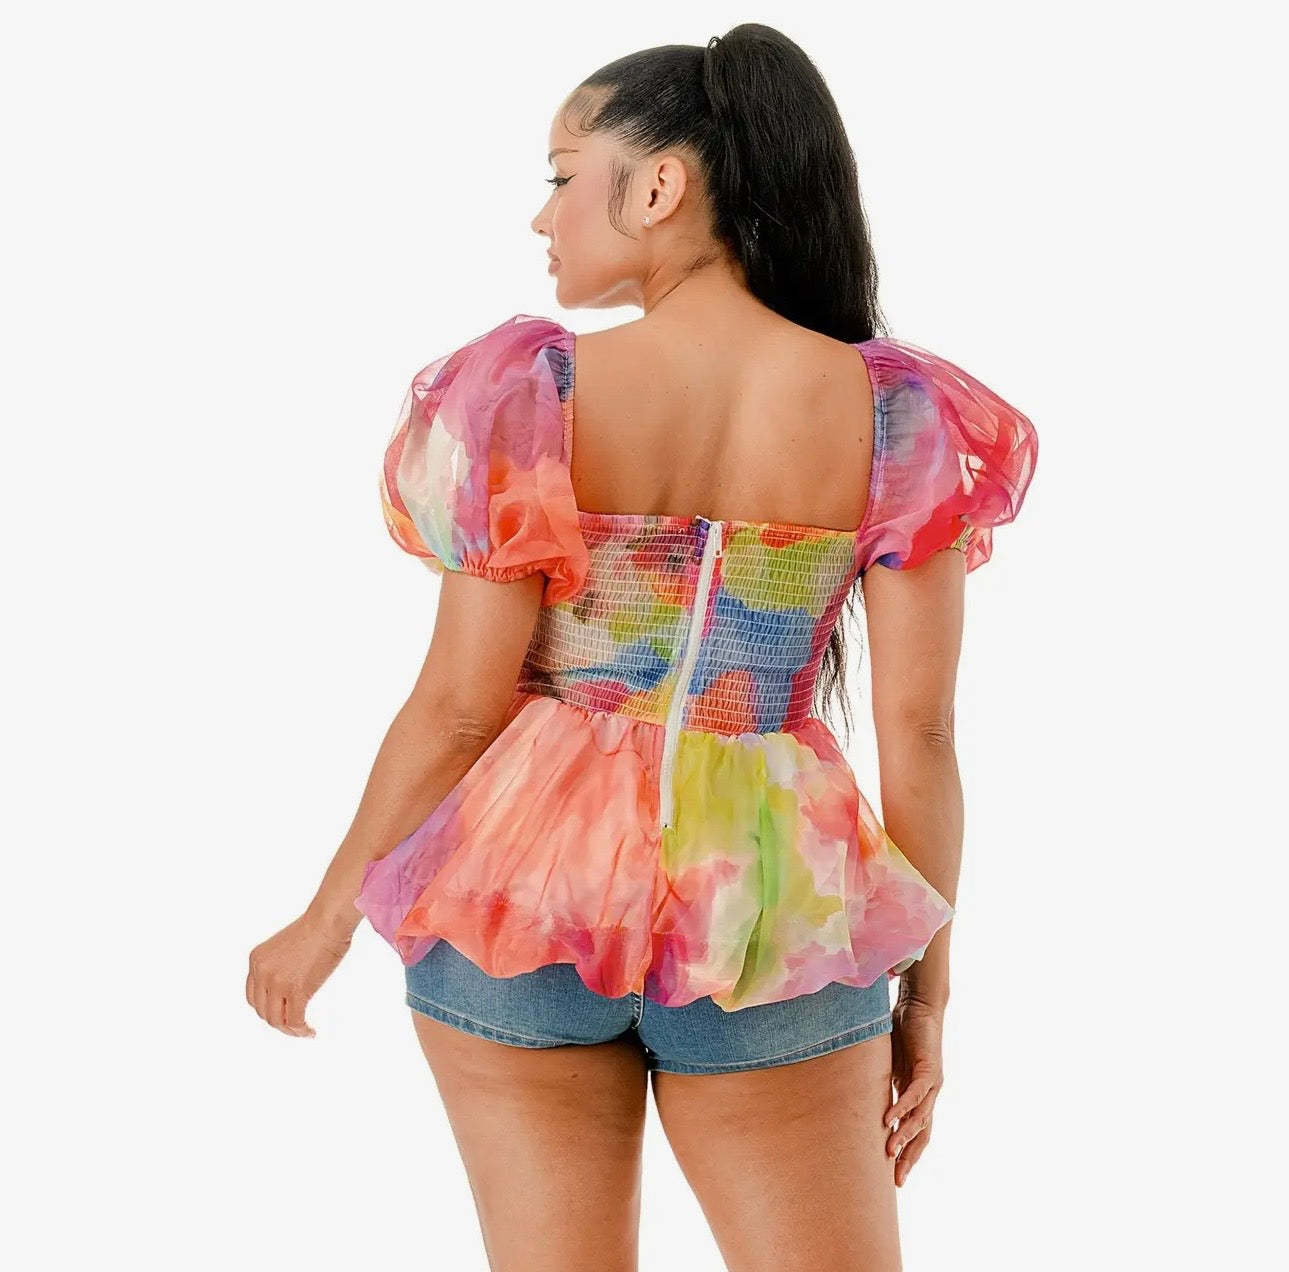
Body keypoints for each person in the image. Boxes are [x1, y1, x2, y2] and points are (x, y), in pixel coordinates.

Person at [246, 22, 1038, 1271]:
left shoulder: (528, 396)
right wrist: (925, 997)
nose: (542, 215)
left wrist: (325, 918)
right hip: (770, 917)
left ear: (659, 185)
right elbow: (920, 732)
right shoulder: (896, 417)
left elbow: (459, 708)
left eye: (562, 174)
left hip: (520, 899)